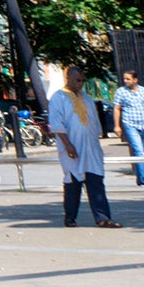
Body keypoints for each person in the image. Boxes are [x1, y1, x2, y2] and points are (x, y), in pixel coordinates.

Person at [51, 63, 121, 227]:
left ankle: (103, 218)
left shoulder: (87, 98)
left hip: (91, 148)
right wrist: (68, 145)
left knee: (96, 181)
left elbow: (95, 124)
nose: (80, 84)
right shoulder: (58, 98)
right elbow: (56, 124)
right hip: (71, 147)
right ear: (68, 78)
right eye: (77, 80)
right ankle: (70, 217)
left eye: (82, 81)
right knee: (73, 183)